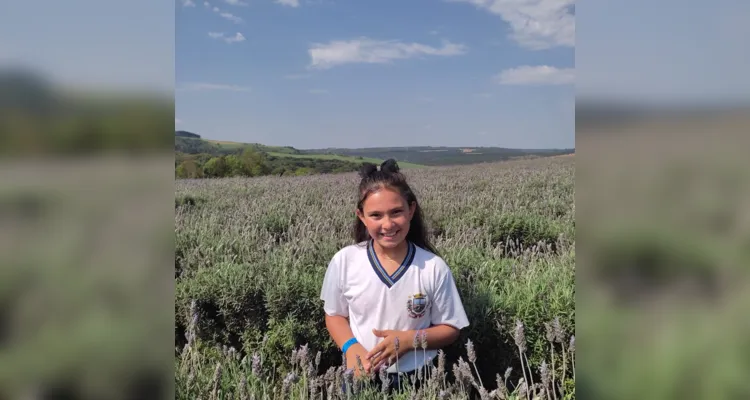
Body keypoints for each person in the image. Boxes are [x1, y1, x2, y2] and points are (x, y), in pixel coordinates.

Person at [319, 158, 470, 391]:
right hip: (361, 376)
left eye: (396, 212)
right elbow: (334, 315)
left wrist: (409, 341)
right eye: (376, 215)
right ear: (361, 216)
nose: (388, 224)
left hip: (419, 378)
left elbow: (450, 328)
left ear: (411, 210)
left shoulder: (432, 267)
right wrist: (351, 347)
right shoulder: (345, 261)